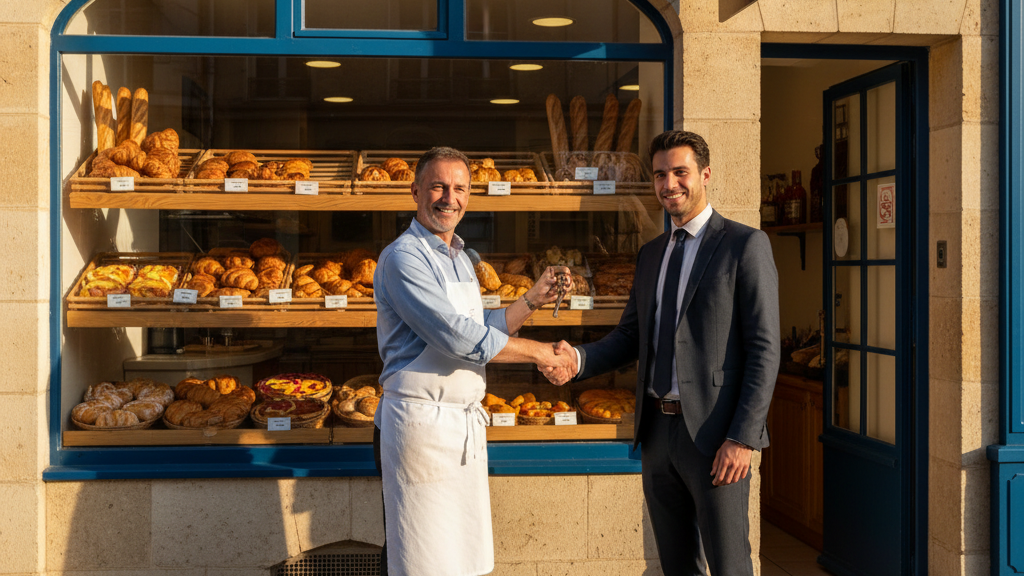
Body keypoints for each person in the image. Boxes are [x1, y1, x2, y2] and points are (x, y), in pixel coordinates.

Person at [544, 130, 779, 575]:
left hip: (716, 437)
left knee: (730, 565)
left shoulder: (744, 245)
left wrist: (743, 438)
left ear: (705, 175)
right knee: (676, 566)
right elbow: (630, 337)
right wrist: (577, 359)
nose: (669, 184)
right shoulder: (651, 253)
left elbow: (765, 350)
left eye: (679, 172)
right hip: (657, 434)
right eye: (659, 175)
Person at [372, 146, 577, 576]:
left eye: (460, 188)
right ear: (415, 192)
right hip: (420, 429)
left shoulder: (462, 257)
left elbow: (480, 323)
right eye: (438, 187)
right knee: (421, 563)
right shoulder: (403, 257)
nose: (450, 198)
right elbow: (456, 336)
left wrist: (530, 301)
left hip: (461, 428)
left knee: (463, 561)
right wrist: (540, 352)